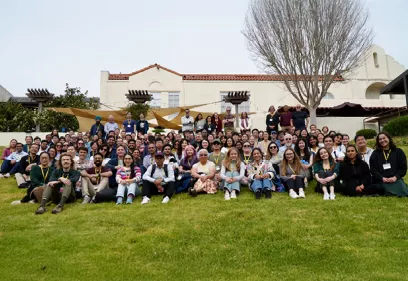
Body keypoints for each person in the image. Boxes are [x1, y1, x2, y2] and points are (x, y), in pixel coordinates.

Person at [369, 132, 408, 197]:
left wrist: (395, 177)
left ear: (389, 138)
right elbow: (373, 169)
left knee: (404, 191)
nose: (382, 140)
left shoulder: (398, 152)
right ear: (378, 141)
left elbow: (403, 167)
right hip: (381, 180)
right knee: (379, 188)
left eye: (384, 138)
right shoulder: (375, 154)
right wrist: (382, 178)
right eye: (380, 139)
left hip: (395, 179)